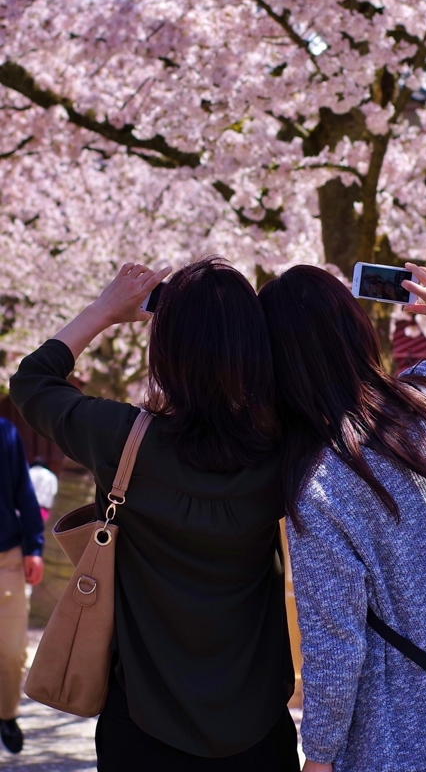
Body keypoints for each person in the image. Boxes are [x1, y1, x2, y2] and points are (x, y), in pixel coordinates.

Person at [10, 259, 298, 771]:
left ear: (165, 349)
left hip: (141, 723)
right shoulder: (288, 452)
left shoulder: (121, 438)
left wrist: (103, 311)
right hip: (257, 728)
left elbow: (32, 382)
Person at [260, 262, 426, 772]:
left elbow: (335, 647)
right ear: (355, 332)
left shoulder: (316, 486)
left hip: (395, 731)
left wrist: (318, 758)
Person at [0, 418, 45, 755]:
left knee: (12, 651)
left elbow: (24, 492)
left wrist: (35, 548)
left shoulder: (5, 432)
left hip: (7, 558)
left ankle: (6, 715)